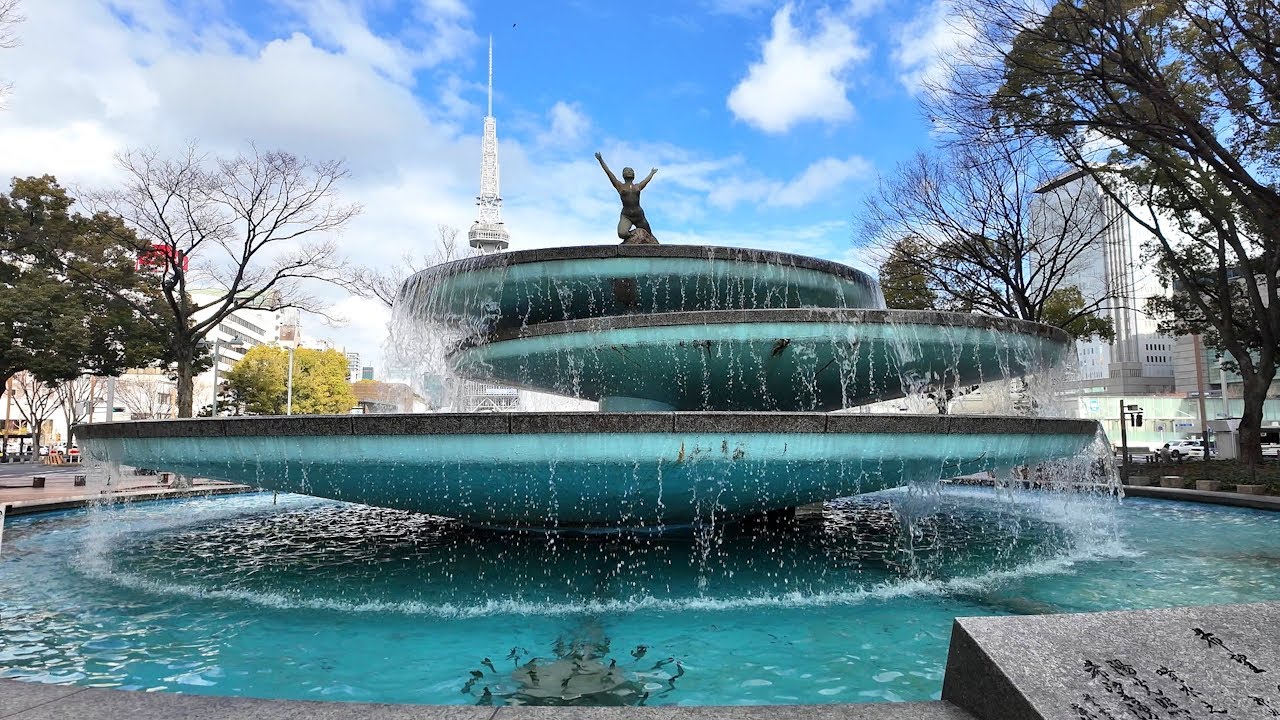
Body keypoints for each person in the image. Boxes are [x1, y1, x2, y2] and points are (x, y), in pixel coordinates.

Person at [595, 152, 657, 242]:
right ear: (623, 175)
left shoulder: (637, 186)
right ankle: (635, 236)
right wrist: (601, 160)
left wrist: (651, 173)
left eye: (631, 171)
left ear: (634, 175)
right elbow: (609, 173)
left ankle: (653, 245)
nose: (628, 172)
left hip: (639, 215)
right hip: (626, 215)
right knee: (622, 233)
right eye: (626, 171)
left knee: (649, 234)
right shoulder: (620, 186)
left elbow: (646, 181)